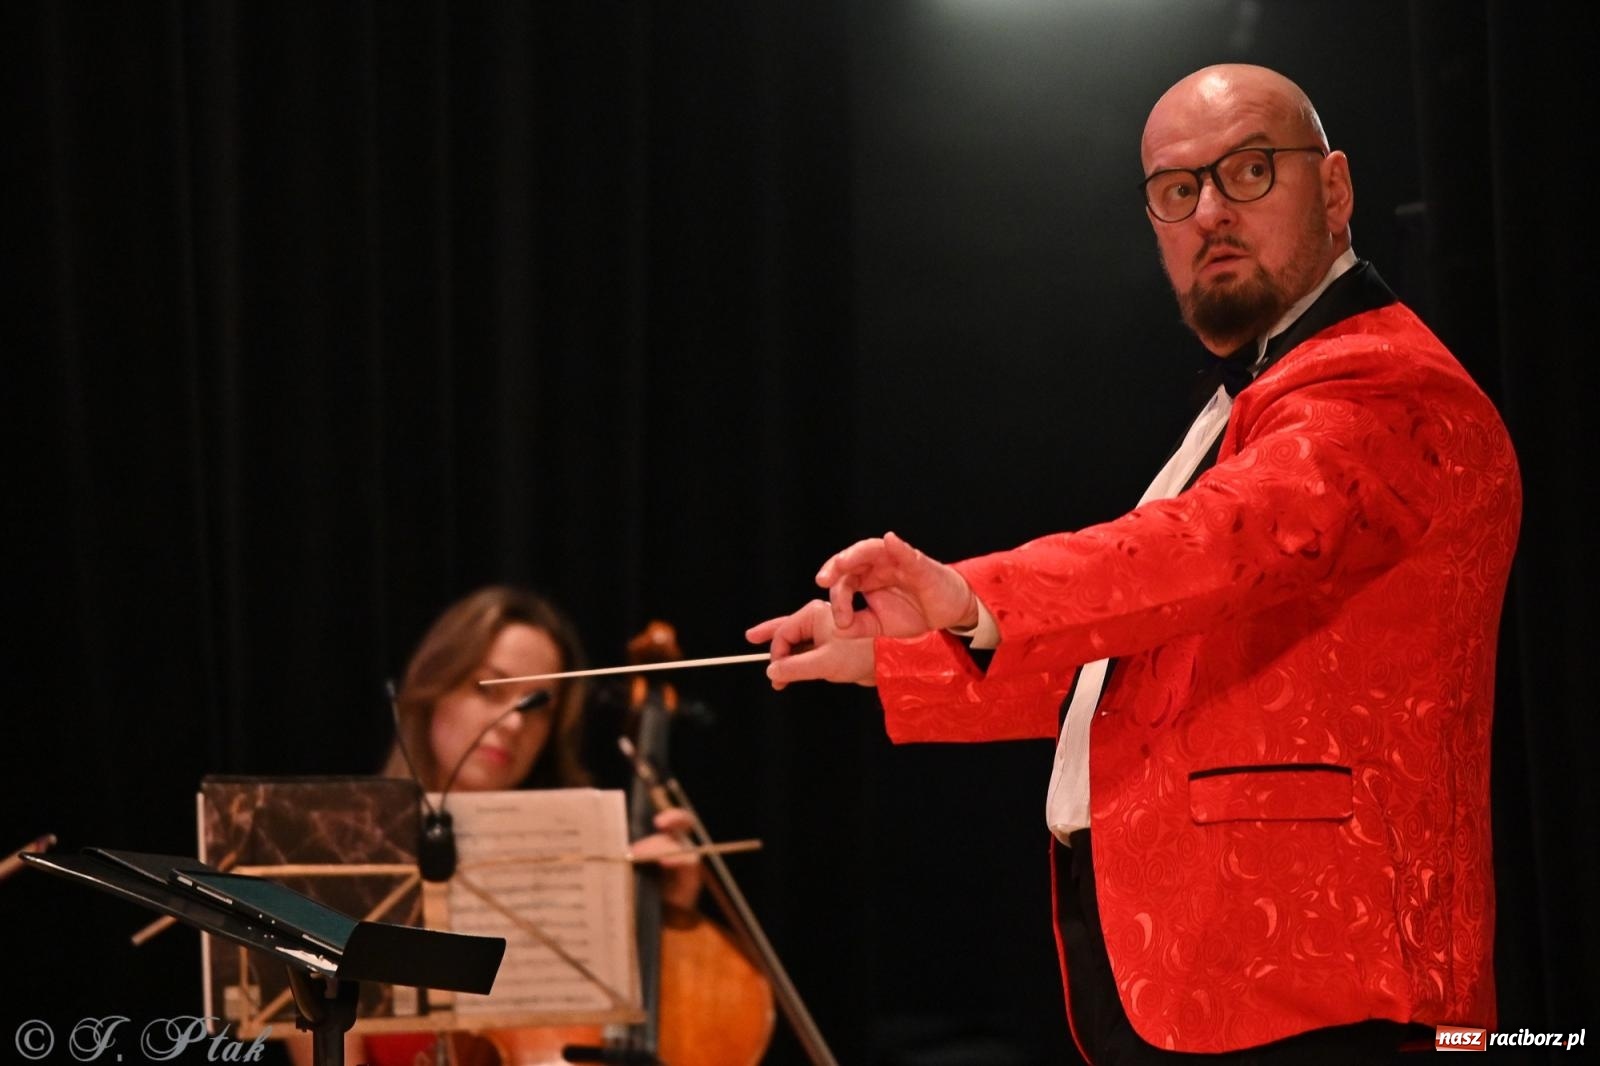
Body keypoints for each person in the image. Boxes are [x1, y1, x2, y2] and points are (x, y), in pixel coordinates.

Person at [747, 64, 1520, 1063]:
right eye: (1175, 189)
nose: (1209, 211)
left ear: (1334, 189)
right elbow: (1150, 661)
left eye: (1247, 171)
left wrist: (969, 590)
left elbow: (1206, 546)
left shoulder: (1381, 387)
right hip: (1218, 972)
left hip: (1330, 984)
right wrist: (895, 652)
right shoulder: (1252, 398)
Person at [293, 586, 702, 1066]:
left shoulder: (582, 877)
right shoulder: (336, 863)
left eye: (537, 706)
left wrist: (673, 915)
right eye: (489, 688)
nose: (512, 724)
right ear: (434, 685)